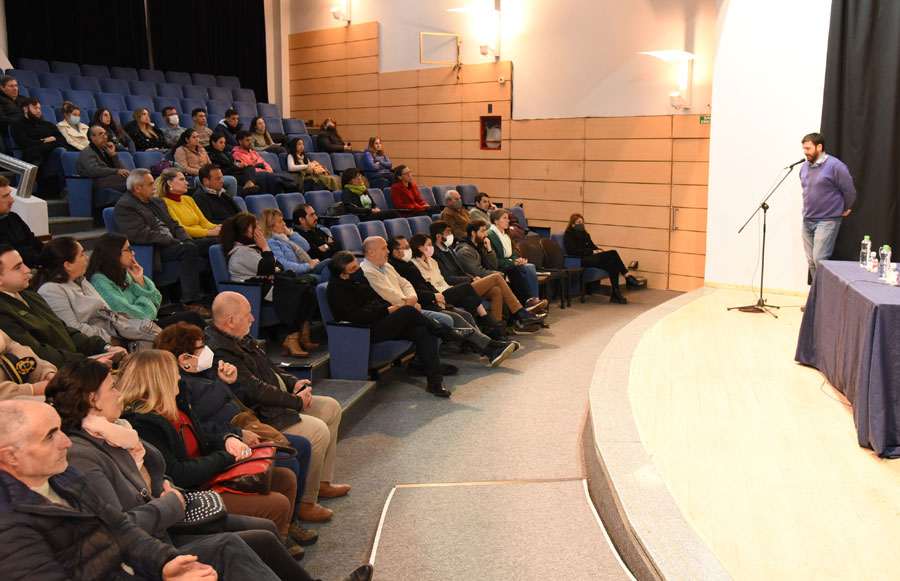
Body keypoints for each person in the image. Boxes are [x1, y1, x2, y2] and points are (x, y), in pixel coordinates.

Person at [46, 358, 328, 573]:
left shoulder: (120, 430)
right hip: (156, 540)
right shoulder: (90, 450)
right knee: (235, 542)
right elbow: (119, 526)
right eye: (111, 388)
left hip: (173, 514)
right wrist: (170, 500)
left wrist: (227, 439)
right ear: (92, 400)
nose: (118, 393)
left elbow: (161, 473)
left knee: (264, 529)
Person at [0, 398, 264, 581]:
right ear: (10, 456)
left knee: (228, 547)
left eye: (60, 430)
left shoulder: (65, 477)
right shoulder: (9, 525)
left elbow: (120, 529)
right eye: (50, 436)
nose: (66, 442)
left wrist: (164, 562)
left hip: (132, 568)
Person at [115, 350, 303, 554]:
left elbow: (203, 437)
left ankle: (282, 541)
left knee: (286, 479)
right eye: (174, 372)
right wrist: (227, 457)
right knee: (277, 504)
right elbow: (179, 474)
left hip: (209, 475)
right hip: (193, 493)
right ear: (160, 379)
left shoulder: (176, 406)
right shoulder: (143, 424)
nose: (179, 376)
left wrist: (226, 439)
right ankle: (274, 553)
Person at [153, 324, 319, 546]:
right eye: (201, 347)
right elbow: (202, 429)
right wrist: (234, 435)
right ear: (184, 358)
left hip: (243, 427)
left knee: (301, 447)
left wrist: (232, 383)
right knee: (286, 460)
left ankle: (292, 520)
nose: (207, 350)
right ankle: (282, 530)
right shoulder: (181, 389)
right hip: (227, 441)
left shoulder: (208, 372)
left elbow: (234, 402)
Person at [205, 291, 349, 522]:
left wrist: (292, 383)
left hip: (276, 404)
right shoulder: (220, 350)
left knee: (331, 407)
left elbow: (269, 367)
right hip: (261, 415)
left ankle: (321, 482)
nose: (253, 318)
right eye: (248, 314)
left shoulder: (238, 337)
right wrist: (296, 402)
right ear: (230, 320)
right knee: (317, 431)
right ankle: (305, 502)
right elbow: (254, 391)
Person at [327, 251, 464, 397]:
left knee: (423, 331)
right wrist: (386, 311)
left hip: (379, 321)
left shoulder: (356, 280)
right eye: (353, 268)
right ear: (343, 276)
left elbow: (375, 299)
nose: (358, 269)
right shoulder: (336, 290)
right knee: (408, 311)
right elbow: (356, 316)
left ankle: (435, 382)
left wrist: (389, 307)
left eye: (357, 265)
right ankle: (446, 332)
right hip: (364, 331)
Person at [387, 235, 515, 366]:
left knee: (467, 312)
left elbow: (425, 284)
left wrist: (437, 295)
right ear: (395, 252)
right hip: (422, 304)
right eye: (405, 247)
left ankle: (488, 346)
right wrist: (434, 297)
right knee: (456, 315)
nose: (409, 250)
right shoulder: (397, 267)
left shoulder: (407, 264)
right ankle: (490, 343)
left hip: (432, 298)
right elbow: (412, 291)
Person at [0, 244, 127, 368]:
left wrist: (104, 347)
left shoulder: (31, 296)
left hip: (77, 363)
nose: (27, 270)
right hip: (58, 372)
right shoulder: (3, 312)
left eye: (23, 263)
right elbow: (38, 353)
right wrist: (86, 362)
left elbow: (65, 330)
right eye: (17, 267)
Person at [219, 213, 318, 357]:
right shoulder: (240, 252)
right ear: (244, 231)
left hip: (266, 286)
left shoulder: (250, 248)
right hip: (254, 291)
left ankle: (303, 335)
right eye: (255, 227)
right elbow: (269, 267)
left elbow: (277, 265)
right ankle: (291, 339)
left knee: (308, 290)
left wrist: (271, 263)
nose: (259, 229)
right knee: (298, 292)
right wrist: (265, 246)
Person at [114, 168, 210, 312]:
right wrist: (175, 242)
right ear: (137, 188)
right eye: (150, 184)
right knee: (188, 249)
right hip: (156, 249)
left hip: (175, 243)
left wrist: (186, 239)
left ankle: (218, 292)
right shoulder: (125, 206)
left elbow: (175, 225)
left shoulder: (156, 202)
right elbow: (141, 235)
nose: (154, 187)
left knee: (212, 243)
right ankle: (191, 302)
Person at [34, 237, 160, 346]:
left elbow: (111, 313)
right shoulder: (51, 290)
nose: (86, 257)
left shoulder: (81, 281)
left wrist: (141, 283)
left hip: (120, 331)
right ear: (68, 265)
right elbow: (73, 329)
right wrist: (112, 340)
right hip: (102, 343)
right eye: (81, 254)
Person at [87, 233, 206, 329]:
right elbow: (137, 316)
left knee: (193, 320)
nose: (133, 253)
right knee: (192, 319)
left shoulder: (125, 273)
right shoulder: (100, 281)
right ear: (114, 254)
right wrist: (147, 303)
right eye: (128, 249)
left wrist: (141, 283)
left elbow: (158, 299)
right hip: (136, 331)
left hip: (147, 324)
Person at [456, 220, 547, 329]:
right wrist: (501, 275)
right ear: (473, 233)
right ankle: (521, 316)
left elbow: (493, 265)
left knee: (513, 271)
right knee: (504, 282)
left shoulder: (480, 245)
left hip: (486, 276)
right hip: (476, 281)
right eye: (483, 231)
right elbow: (478, 272)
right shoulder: (465, 251)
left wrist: (489, 249)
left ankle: (526, 307)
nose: (486, 234)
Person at [799, 132, 857, 282]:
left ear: (819, 147)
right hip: (808, 219)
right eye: (804, 149)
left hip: (827, 220)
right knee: (811, 261)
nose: (805, 152)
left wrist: (846, 208)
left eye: (808, 148)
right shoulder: (804, 167)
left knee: (819, 259)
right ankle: (816, 294)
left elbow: (849, 190)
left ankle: (823, 295)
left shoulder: (835, 166)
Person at [564, 213, 642, 303]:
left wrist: (598, 250)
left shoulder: (585, 234)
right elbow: (573, 251)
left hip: (591, 258)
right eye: (579, 222)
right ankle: (627, 276)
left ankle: (615, 293)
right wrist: (592, 252)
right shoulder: (569, 234)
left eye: (582, 222)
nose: (581, 224)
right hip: (580, 259)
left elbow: (593, 246)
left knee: (612, 264)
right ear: (572, 224)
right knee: (613, 253)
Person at [10, 98, 76, 194]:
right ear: (25, 109)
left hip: (50, 155)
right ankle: (65, 187)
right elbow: (24, 142)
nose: (38, 111)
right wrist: (49, 142)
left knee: (64, 152)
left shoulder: (47, 124)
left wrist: (54, 138)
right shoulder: (17, 124)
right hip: (36, 157)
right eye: (35, 108)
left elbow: (62, 139)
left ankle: (70, 187)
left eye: (39, 108)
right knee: (60, 151)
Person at [156, 168, 220, 260]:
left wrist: (217, 227)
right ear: (170, 183)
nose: (186, 183)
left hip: (203, 236)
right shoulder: (164, 203)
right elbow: (180, 228)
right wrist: (209, 232)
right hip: (189, 239)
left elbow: (204, 222)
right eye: (181, 180)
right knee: (218, 241)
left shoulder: (188, 199)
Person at [260, 208, 329, 281]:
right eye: (280, 222)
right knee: (329, 271)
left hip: (306, 270)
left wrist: (290, 233)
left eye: (283, 220)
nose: (284, 223)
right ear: (270, 226)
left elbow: (306, 247)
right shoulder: (272, 243)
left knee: (332, 262)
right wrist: (308, 266)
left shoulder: (285, 237)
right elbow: (284, 265)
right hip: (295, 276)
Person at [487, 210, 542, 301]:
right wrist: (513, 262)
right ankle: (531, 300)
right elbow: (495, 260)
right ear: (496, 221)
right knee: (527, 268)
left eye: (508, 218)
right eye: (504, 218)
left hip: (509, 264)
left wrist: (518, 260)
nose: (508, 221)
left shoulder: (506, 234)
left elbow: (511, 254)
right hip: (500, 266)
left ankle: (535, 299)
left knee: (530, 266)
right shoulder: (490, 235)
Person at [231, 131, 297, 195]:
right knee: (273, 177)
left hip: (263, 171)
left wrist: (269, 169)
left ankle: (291, 192)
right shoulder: (237, 154)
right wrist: (264, 171)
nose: (250, 142)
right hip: (253, 175)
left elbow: (264, 162)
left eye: (251, 140)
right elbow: (247, 169)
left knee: (283, 174)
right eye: (247, 140)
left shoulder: (253, 152)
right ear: (240, 142)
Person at [76, 124, 130, 200]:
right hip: (97, 182)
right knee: (132, 182)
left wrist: (113, 154)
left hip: (110, 179)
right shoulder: (87, 152)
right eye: (101, 134)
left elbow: (121, 169)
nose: (105, 137)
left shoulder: (106, 151)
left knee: (134, 179)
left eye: (105, 134)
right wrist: (116, 171)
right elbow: (94, 171)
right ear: (92, 138)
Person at [0, 175, 44, 268]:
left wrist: (54, 257)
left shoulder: (13, 217)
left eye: (10, 194)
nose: (12, 200)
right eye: (5, 196)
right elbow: (10, 257)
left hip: (37, 264)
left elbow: (34, 242)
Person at [0, 329, 56, 400]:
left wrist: (45, 373)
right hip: (11, 399)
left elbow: (11, 346)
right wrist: (31, 390)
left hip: (31, 387)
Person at [0, 76, 24, 148]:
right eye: (11, 86)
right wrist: (20, 123)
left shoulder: (24, 99)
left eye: (16, 86)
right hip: (10, 129)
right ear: (2, 88)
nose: (15, 88)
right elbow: (1, 118)